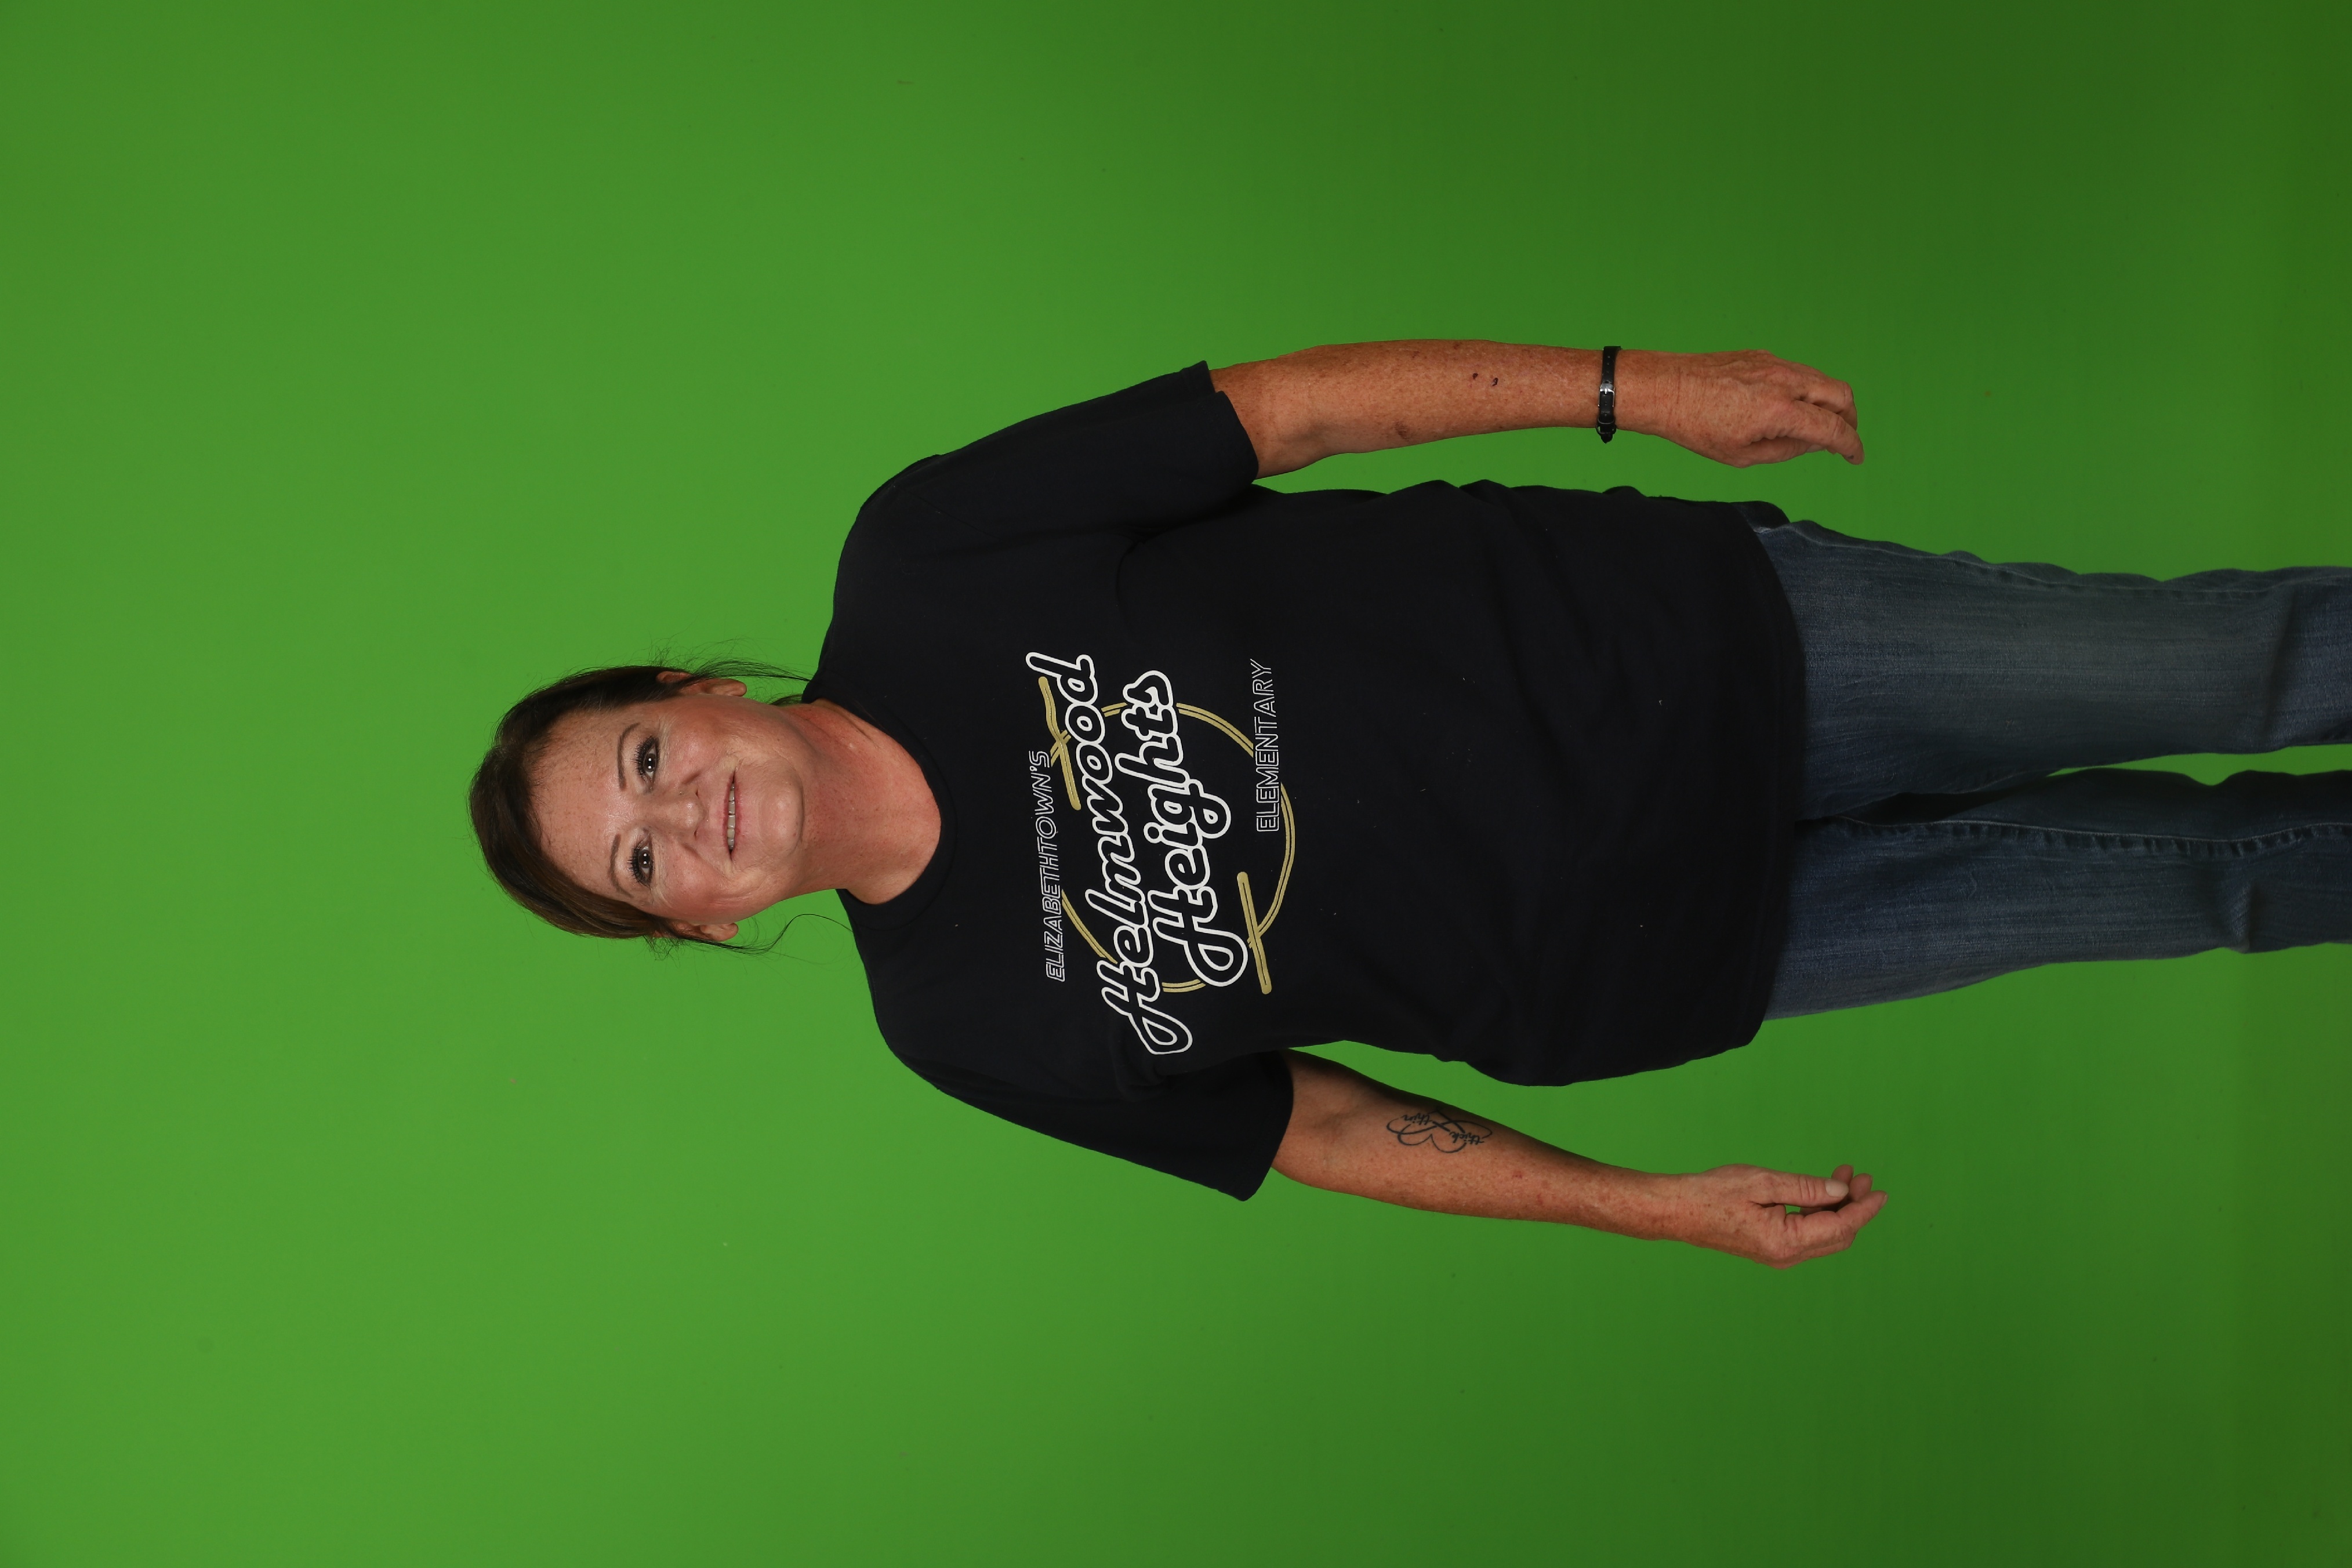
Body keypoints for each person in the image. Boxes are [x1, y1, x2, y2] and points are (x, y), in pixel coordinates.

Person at [470, 341, 2352, 1268]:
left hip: (1712, 652)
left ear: (697, 694)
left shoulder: (926, 558)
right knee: (2208, 883)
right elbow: (1312, 1125)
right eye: (643, 863)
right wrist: (1648, 1207)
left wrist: (1628, 389)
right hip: (1684, 955)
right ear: (701, 920)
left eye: (645, 759)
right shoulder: (957, 1029)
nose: (686, 817)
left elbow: (1282, 413)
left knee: (2235, 665)